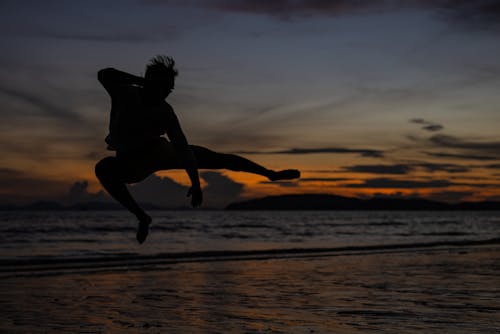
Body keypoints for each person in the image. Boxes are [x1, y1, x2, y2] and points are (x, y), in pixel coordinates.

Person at [95, 55, 300, 244]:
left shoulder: (166, 112)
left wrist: (195, 182)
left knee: (216, 158)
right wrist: (143, 83)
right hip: (129, 162)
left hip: (158, 152)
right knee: (103, 168)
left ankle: (269, 174)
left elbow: (183, 149)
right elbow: (105, 74)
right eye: (162, 87)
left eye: (169, 89)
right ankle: (142, 217)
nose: (166, 93)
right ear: (148, 83)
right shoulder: (125, 92)